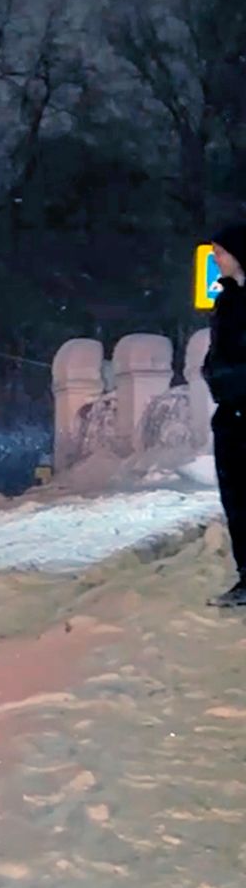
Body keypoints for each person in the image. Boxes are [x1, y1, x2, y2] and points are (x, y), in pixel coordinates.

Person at [201, 224, 246, 606]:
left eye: (220, 253)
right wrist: (212, 372)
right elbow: (220, 353)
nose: (216, 260)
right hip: (230, 417)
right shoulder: (227, 299)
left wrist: (233, 377)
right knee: (236, 500)